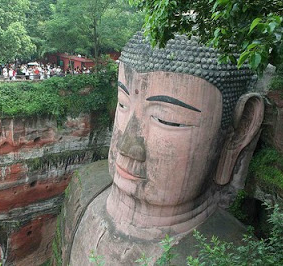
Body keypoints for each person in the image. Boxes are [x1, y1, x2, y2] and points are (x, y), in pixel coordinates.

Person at [65, 33, 265, 265]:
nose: (127, 146)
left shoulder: (232, 256)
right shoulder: (84, 189)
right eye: (122, 103)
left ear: (238, 133)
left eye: (167, 120)